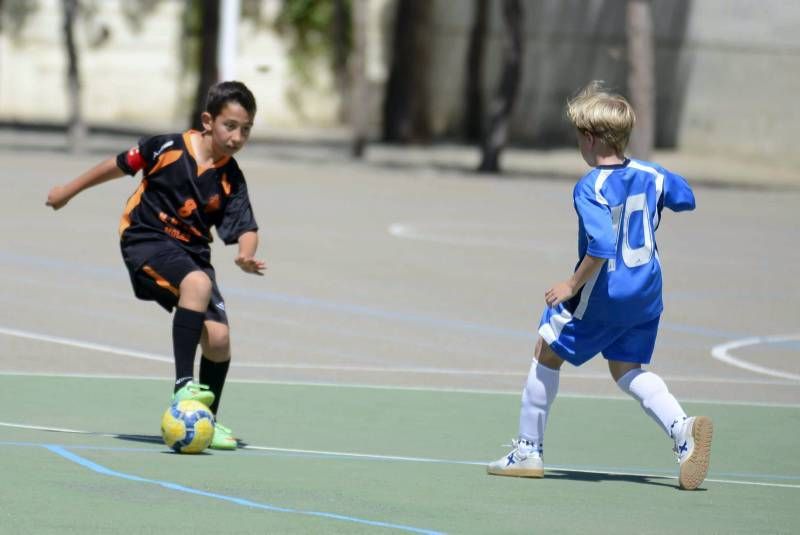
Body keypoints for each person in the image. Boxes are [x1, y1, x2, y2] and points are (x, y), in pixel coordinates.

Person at [487, 81, 712, 490]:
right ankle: (682, 429)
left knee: (546, 350)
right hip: (647, 294)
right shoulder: (651, 173)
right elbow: (688, 198)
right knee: (626, 368)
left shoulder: (590, 187)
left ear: (590, 139)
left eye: (578, 136)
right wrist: (652, 185)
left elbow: (602, 245)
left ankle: (527, 450)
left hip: (606, 295)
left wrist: (571, 285)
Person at [46, 81, 265, 450]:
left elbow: (246, 227)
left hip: (192, 254)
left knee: (219, 339)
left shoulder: (231, 177)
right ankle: (183, 388)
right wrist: (68, 191)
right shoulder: (167, 147)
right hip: (145, 239)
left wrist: (245, 253)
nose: (237, 136)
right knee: (197, 284)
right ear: (208, 121)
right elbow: (116, 166)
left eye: (246, 130)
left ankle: (206, 419)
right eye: (231, 126)